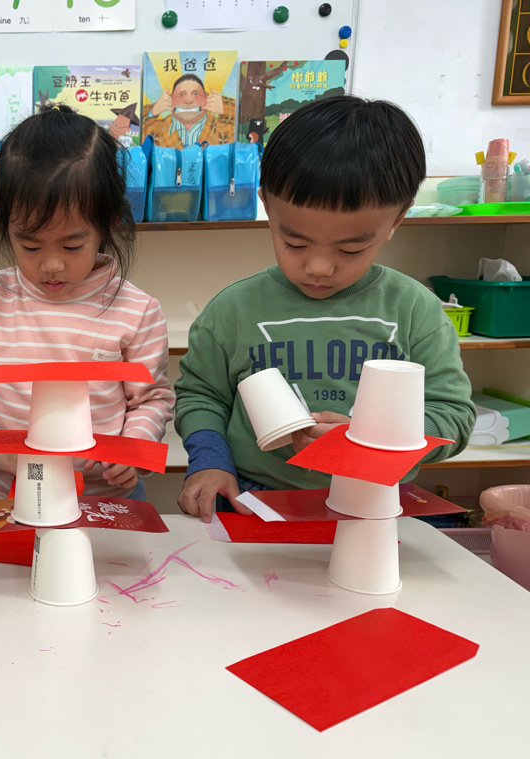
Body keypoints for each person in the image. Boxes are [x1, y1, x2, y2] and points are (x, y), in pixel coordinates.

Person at [174, 95, 476, 523]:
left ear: (396, 221)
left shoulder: (414, 310)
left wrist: (377, 437)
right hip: (254, 497)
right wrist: (210, 462)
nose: (318, 267)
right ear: (267, 206)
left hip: (377, 501)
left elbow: (453, 416)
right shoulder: (233, 309)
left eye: (351, 249)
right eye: (294, 243)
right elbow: (201, 395)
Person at [0, 104, 174, 502]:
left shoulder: (138, 310)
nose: (52, 265)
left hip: (105, 501)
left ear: (108, 223)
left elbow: (152, 400)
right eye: (31, 245)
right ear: (3, 221)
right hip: (9, 496)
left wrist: (133, 449)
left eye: (72, 246)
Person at [144, 73, 235, 149]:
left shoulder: (226, 128)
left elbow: (243, 120)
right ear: (170, 99)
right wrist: (152, 112)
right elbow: (135, 130)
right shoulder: (155, 128)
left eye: (195, 94)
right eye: (181, 95)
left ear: (207, 97)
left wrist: (224, 107)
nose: (188, 100)